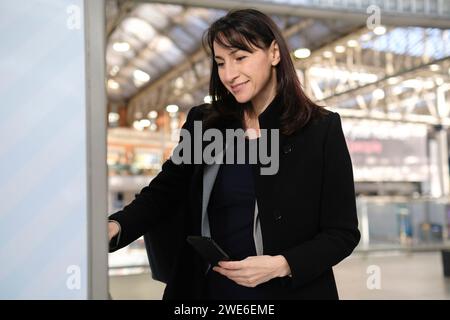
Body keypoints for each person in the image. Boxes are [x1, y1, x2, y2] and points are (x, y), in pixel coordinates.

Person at [108, 8, 360, 300]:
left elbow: (342, 232)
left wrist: (282, 265)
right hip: (210, 291)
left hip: (286, 290)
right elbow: (165, 191)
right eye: (220, 62)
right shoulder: (204, 124)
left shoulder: (319, 130)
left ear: (274, 53)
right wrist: (117, 226)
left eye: (240, 58)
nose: (229, 74)